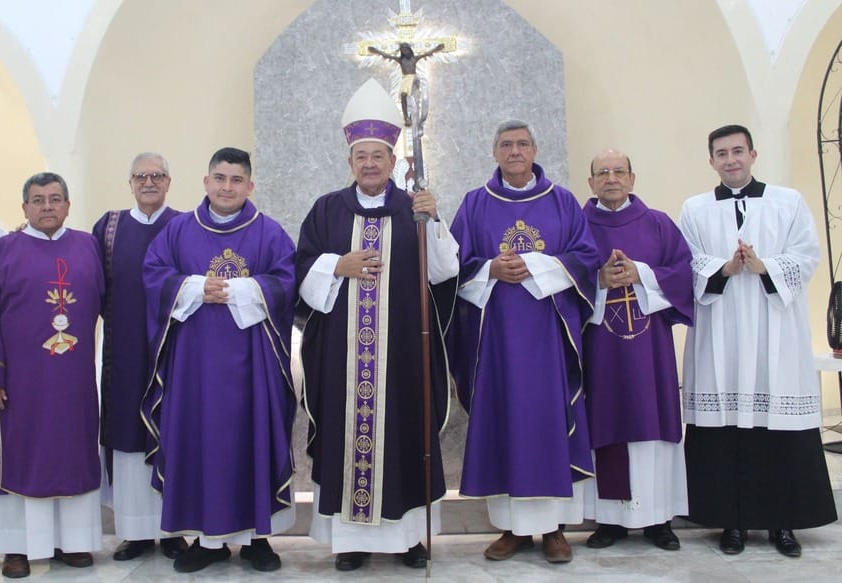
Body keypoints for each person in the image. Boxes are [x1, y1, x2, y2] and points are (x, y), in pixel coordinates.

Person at [296, 78, 459, 572]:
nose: (369, 164)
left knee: (407, 437)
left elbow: (445, 272)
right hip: (343, 359)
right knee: (349, 440)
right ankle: (351, 540)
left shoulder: (415, 208)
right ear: (350, 162)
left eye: (378, 156)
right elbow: (299, 269)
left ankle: (409, 538)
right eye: (361, 156)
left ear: (394, 162)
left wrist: (434, 222)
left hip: (404, 355)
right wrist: (334, 267)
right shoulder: (327, 209)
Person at [679, 124, 836, 558]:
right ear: (710, 161)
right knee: (726, 430)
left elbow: (807, 255)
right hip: (721, 332)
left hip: (774, 332)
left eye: (737, 151)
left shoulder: (787, 202)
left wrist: (765, 266)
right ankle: (731, 522)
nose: (731, 160)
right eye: (721, 154)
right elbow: (684, 261)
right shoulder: (694, 209)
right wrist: (724, 269)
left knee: (779, 429)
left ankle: (783, 524)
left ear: (753, 154)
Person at [449, 119, 598, 564]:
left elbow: (585, 257)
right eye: (506, 145)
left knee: (546, 420)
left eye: (522, 144)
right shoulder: (475, 204)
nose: (515, 151)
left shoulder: (563, 202)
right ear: (494, 152)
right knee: (503, 420)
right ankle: (512, 529)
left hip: (547, 334)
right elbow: (452, 265)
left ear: (534, 150)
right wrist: (489, 270)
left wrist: (537, 266)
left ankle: (554, 530)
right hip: (494, 338)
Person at [141, 147, 296, 574]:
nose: (227, 187)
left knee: (253, 437)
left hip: (253, 364)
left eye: (236, 180)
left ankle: (257, 539)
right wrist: (191, 287)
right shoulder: (177, 232)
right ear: (206, 182)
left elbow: (286, 281)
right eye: (220, 178)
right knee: (199, 439)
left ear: (250, 185)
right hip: (194, 366)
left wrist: (241, 289)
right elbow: (154, 275)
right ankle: (207, 540)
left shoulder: (269, 232)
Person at [0, 172, 104, 578]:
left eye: (55, 199)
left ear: (68, 206)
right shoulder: (3, 250)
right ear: (24, 208)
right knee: (19, 456)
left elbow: (112, 305)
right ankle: (16, 547)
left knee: (72, 453)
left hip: (73, 380)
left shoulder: (88, 247)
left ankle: (72, 541)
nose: (47, 207)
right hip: (19, 383)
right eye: (37, 200)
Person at [580, 149, 694, 551]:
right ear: (591, 182)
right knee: (606, 423)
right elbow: (566, 278)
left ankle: (658, 520)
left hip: (650, 352)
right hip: (600, 351)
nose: (611, 178)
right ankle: (610, 521)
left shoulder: (658, 224)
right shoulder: (578, 226)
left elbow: (684, 274)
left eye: (618, 171)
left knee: (653, 422)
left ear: (632, 178)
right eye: (602, 173)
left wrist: (640, 274)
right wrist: (599, 281)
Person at [92, 152, 184, 561]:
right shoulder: (109, 227)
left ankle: (174, 529)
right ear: (129, 182)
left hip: (174, 348)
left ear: (169, 182)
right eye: (140, 176)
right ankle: (135, 531)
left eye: (157, 176)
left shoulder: (184, 226)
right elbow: (86, 279)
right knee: (129, 438)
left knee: (173, 432)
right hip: (124, 352)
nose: (149, 182)